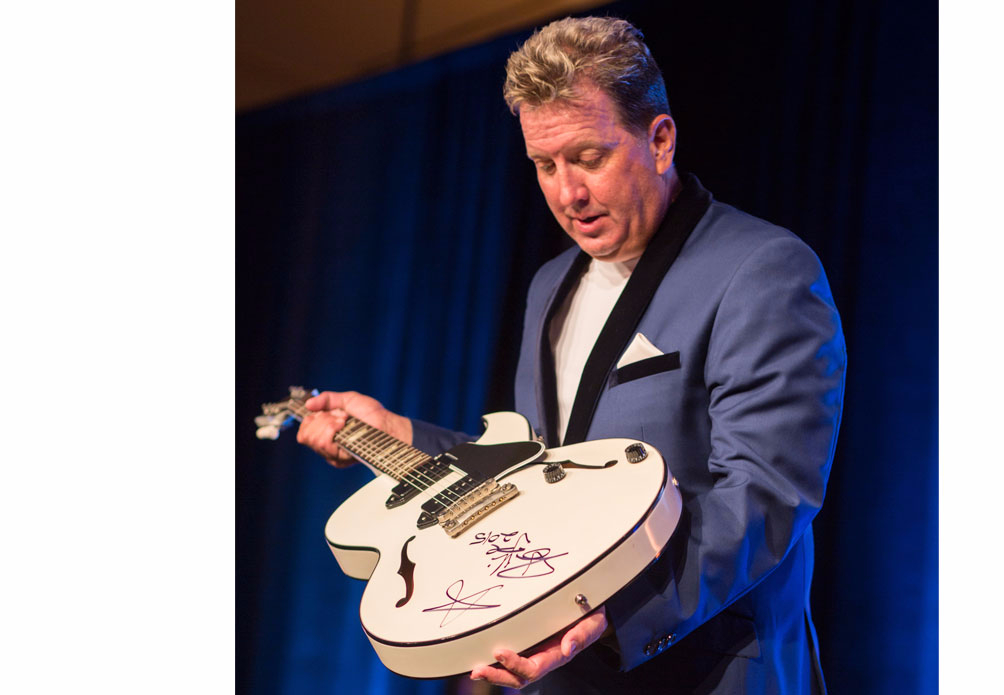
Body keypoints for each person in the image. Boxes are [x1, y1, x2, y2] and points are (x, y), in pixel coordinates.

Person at [297, 16, 846, 695]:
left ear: (661, 140)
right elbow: (539, 473)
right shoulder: (549, 286)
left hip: (704, 671)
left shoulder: (762, 268)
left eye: (587, 157)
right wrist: (400, 434)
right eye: (544, 165)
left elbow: (762, 496)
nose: (566, 193)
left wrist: (610, 613)